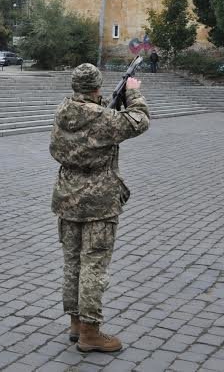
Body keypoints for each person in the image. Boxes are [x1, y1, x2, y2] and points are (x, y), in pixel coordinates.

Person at [50, 63, 149, 352]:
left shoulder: (63, 111)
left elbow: (89, 121)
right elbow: (139, 120)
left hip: (67, 196)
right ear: (96, 87)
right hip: (98, 201)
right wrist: (133, 93)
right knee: (93, 264)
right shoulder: (103, 118)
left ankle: (75, 322)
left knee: (72, 262)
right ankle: (91, 332)